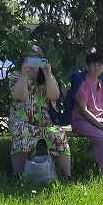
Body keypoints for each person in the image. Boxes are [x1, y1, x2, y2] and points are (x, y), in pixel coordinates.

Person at [8, 45, 71, 179]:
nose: (33, 61)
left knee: (59, 135)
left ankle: (66, 175)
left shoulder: (47, 75)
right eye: (29, 58)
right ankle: (17, 176)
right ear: (24, 60)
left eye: (36, 58)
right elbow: (21, 96)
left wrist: (48, 74)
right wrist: (24, 75)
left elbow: (54, 96)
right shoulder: (16, 75)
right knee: (22, 132)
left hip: (45, 123)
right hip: (22, 121)